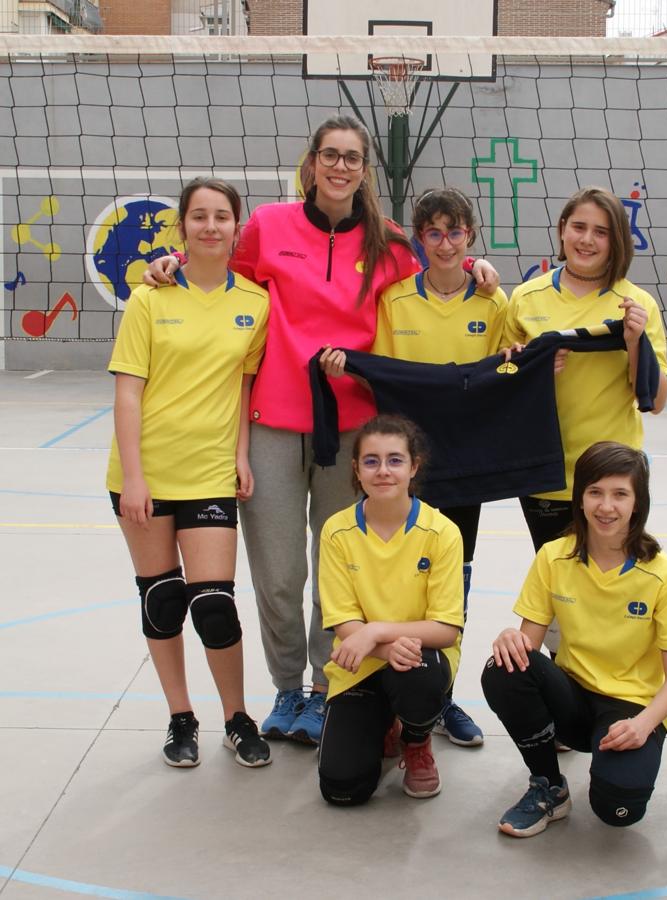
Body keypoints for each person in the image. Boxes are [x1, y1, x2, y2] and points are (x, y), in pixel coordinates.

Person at [143, 116, 499, 745]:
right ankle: (286, 686)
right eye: (330, 156)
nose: (340, 167)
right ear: (311, 164)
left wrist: (478, 267)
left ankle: (324, 685)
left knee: (336, 569)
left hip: (357, 431)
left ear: (364, 170)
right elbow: (219, 268)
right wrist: (173, 260)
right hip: (274, 423)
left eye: (352, 159)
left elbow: (439, 273)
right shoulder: (268, 226)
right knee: (279, 572)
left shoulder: (387, 241)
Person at [320, 187, 507, 748]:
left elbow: (508, 367)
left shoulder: (492, 302)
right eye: (433, 233)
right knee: (399, 569)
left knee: (457, 580)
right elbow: (379, 370)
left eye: (455, 233)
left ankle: (442, 694)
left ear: (469, 237)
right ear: (420, 240)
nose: (445, 243)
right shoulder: (396, 301)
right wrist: (343, 368)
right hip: (404, 462)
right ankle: (387, 683)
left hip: (465, 459)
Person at [107, 177, 271, 768]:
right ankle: (181, 717)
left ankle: (236, 715)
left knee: (214, 604)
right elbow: (128, 394)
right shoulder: (150, 298)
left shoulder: (253, 303)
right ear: (182, 227)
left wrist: (241, 453)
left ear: (236, 227)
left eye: (221, 216)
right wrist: (134, 477)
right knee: (162, 601)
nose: (209, 226)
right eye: (198, 216)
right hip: (145, 472)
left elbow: (243, 388)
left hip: (208, 472)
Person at [480, 442, 667, 837]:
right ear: (579, 498)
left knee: (618, 809)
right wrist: (511, 636)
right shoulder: (554, 556)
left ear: (638, 502)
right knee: (504, 668)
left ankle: (615, 771)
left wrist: (644, 724)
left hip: (630, 707)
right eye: (595, 492)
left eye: (620, 494)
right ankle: (549, 786)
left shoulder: (664, 574)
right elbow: (526, 646)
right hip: (573, 697)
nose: (605, 506)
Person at [502, 186, 667, 556]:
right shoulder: (525, 298)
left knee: (610, 585)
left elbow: (657, 401)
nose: (587, 239)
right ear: (563, 229)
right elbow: (501, 388)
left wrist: (632, 342)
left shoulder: (637, 305)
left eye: (601, 231)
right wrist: (525, 369)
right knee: (558, 586)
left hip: (612, 478)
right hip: (545, 473)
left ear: (617, 241)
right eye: (579, 227)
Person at [316, 415, 464, 804]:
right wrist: (379, 646)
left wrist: (377, 631)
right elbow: (343, 620)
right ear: (356, 470)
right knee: (342, 789)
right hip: (359, 666)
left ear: (414, 466)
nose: (383, 471)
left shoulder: (442, 532)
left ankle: (416, 739)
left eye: (395, 460)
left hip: (419, 661)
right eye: (371, 461)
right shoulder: (336, 530)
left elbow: (446, 629)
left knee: (418, 675)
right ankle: (384, 722)